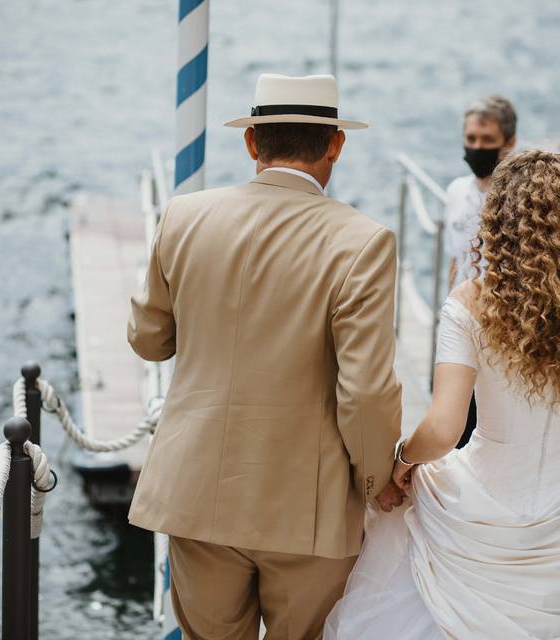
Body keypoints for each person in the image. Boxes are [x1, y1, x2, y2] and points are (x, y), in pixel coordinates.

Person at [325, 150, 560, 639]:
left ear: (497, 221)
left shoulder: (470, 302)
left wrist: (404, 460)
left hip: (485, 504)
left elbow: (444, 429)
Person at [127, 73, 402, 640]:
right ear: (336, 144)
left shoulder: (183, 217)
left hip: (196, 490)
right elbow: (366, 393)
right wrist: (380, 481)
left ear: (252, 142)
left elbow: (148, 340)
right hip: (308, 509)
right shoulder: (363, 241)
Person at [443, 95, 517, 448]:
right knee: (453, 422)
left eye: (487, 141)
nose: (477, 147)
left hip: (500, 331)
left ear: (509, 143)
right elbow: (455, 259)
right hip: (459, 324)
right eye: (471, 139)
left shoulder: (519, 200)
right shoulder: (455, 192)